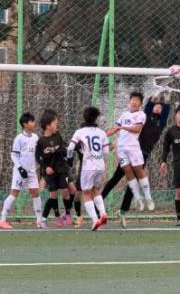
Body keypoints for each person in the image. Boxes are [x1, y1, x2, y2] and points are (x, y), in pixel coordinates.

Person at [102, 95, 170, 228]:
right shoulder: (144, 116)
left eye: (160, 107)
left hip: (142, 155)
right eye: (156, 106)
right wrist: (155, 96)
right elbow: (148, 106)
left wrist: (167, 99)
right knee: (115, 178)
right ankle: (98, 202)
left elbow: (166, 111)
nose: (158, 107)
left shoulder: (161, 123)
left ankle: (123, 211)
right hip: (131, 151)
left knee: (133, 185)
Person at [107, 92, 153, 212]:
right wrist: (103, 134)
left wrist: (122, 127)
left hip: (133, 148)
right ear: (129, 101)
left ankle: (148, 197)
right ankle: (138, 198)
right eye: (132, 99)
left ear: (140, 104)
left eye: (137, 100)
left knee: (139, 171)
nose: (134, 102)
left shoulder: (141, 114)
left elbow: (137, 129)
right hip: (121, 149)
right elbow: (114, 128)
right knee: (128, 172)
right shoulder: (124, 114)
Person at [67, 106, 111, 231]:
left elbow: (70, 148)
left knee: (86, 193)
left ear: (84, 117)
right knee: (95, 190)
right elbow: (106, 152)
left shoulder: (80, 132)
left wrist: (69, 160)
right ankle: (103, 213)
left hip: (88, 166)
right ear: (96, 118)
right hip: (100, 165)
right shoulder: (102, 133)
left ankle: (95, 220)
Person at [0, 113, 43, 229]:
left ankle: (39, 220)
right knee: (14, 193)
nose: (34, 123)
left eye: (34, 121)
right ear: (25, 124)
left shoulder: (35, 137)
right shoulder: (19, 138)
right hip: (20, 172)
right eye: (31, 121)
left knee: (35, 193)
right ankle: (2, 220)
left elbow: (37, 153)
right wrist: (20, 168)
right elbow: (13, 155)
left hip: (32, 172)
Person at [36, 109, 72, 229]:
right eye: (55, 123)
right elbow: (38, 157)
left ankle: (67, 214)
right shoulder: (41, 142)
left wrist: (66, 153)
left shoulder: (58, 136)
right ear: (48, 126)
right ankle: (53, 217)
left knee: (66, 190)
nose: (57, 125)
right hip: (50, 173)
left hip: (61, 169)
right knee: (53, 195)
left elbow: (63, 149)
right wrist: (45, 167)